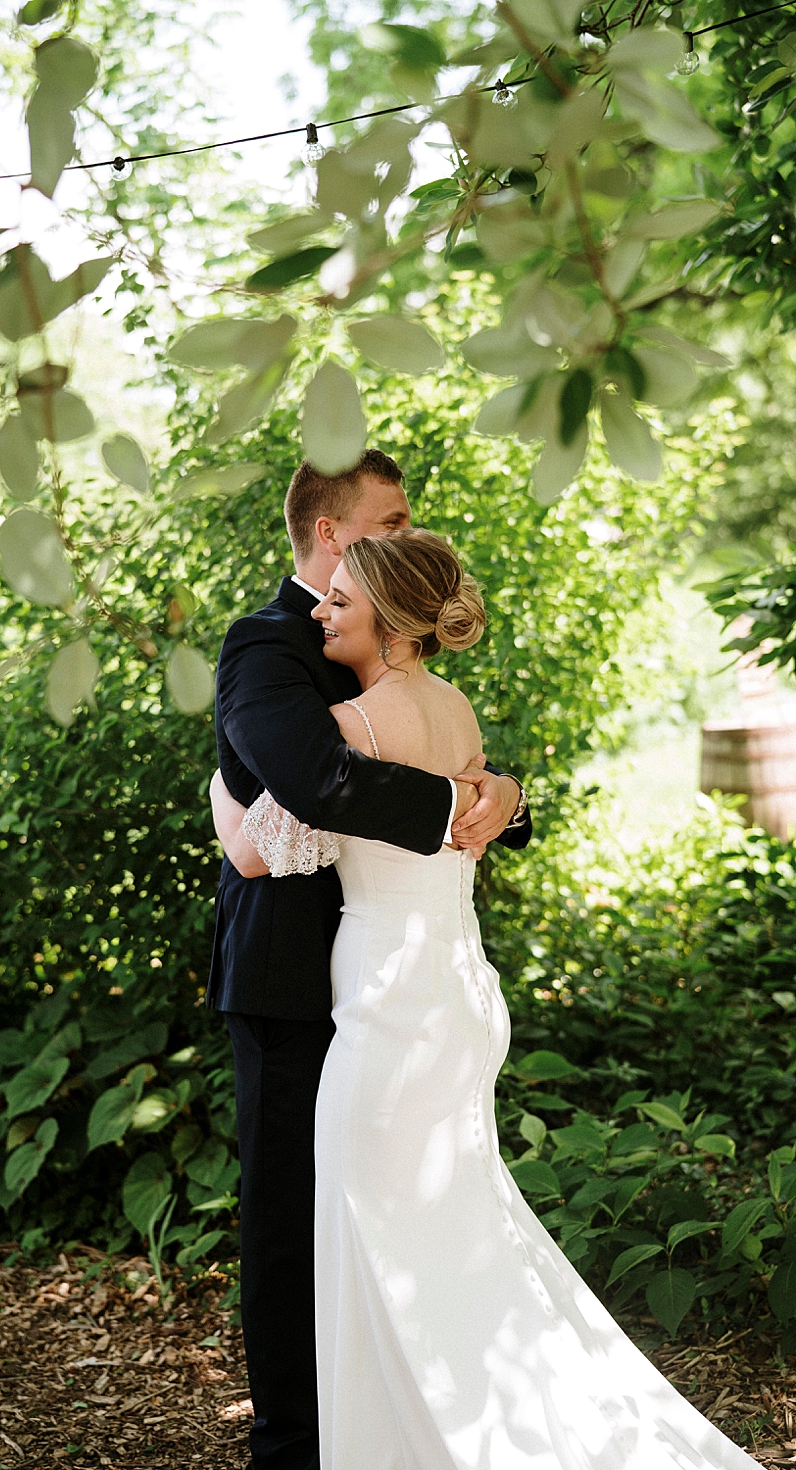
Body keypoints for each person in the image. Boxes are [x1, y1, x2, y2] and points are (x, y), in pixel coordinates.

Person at [215, 528, 759, 1470]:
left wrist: (223, 778)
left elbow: (257, 849)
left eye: (341, 602)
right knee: (454, 1232)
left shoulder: (347, 729)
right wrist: (498, 792)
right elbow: (469, 808)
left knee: (370, 1241)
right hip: (459, 998)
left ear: (387, 623)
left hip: (387, 1011)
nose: (322, 613)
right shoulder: (460, 714)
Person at [207, 450, 531, 1470]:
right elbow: (313, 778)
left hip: (387, 978)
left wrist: (504, 803)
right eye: (392, 518)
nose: (409, 530)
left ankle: (394, 1424)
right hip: (294, 979)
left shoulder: (385, 652)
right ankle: (293, 1447)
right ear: (339, 535)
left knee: (389, 1218)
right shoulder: (264, 645)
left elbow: (417, 777)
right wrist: (458, 805)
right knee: (287, 1231)